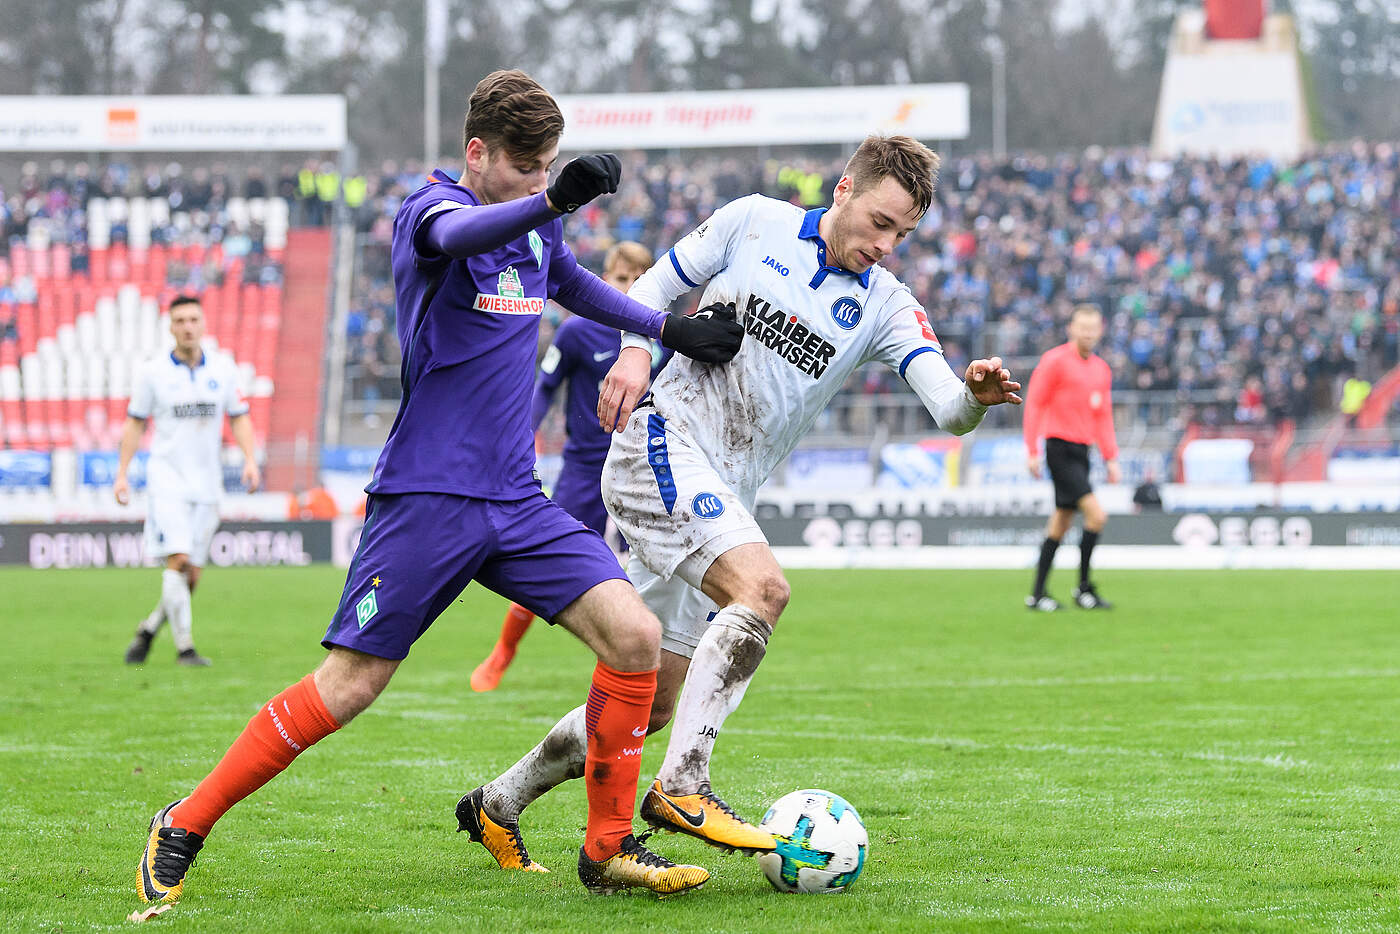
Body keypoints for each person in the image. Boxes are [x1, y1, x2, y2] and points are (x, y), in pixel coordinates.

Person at [135, 69, 744, 907]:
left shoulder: (536, 226)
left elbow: (573, 286)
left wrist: (671, 327)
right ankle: (185, 819)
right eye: (525, 167)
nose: (538, 182)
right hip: (427, 496)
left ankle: (607, 849)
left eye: (548, 168)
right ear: (477, 153)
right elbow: (459, 235)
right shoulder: (429, 212)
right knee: (351, 685)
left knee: (635, 638)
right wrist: (551, 200)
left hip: (515, 500)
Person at [461, 135, 1022, 867]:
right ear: (845, 190)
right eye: (880, 223)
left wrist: (976, 396)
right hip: (660, 443)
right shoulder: (755, 221)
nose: (886, 245)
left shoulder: (886, 305)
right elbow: (650, 289)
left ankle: (498, 802)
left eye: (903, 235)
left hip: (724, 493)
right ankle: (683, 785)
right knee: (763, 590)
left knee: (651, 704)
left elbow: (948, 407)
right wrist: (634, 353)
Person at [471, 241, 670, 692]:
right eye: (621, 279)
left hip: (643, 466)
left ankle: (641, 659)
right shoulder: (577, 332)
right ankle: (504, 650)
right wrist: (521, 436)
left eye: (639, 280)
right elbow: (544, 387)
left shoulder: (659, 338)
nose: (630, 288)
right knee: (547, 559)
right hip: (585, 469)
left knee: (653, 569)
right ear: (606, 280)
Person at [117, 295, 261, 667]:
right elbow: (135, 423)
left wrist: (249, 459)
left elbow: (239, 417)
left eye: (193, 319)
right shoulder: (152, 373)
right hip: (167, 481)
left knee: (191, 576)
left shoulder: (224, 369)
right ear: (170, 327)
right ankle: (186, 649)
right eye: (180, 320)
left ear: (203, 324)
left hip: (207, 485)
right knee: (178, 560)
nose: (187, 327)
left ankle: (148, 630)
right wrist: (122, 473)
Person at [1022, 303, 1120, 611]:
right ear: (1071, 329)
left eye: (1093, 328)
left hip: (1082, 451)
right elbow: (1034, 404)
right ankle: (1084, 589)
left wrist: (1111, 456)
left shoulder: (1101, 369)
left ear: (1100, 331)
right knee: (1096, 516)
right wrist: (1032, 450)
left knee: (1061, 523)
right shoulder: (1054, 361)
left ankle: (1037, 595)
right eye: (1083, 328)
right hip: (1059, 448)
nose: (1088, 334)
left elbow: (1103, 416)